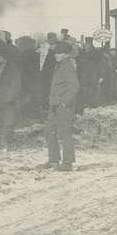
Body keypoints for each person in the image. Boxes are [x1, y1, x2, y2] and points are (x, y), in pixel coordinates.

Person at [39, 41, 79, 172]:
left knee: (64, 133)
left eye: (59, 53)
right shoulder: (60, 65)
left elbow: (74, 87)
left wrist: (64, 102)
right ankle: (54, 160)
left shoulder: (67, 66)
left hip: (63, 106)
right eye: (55, 53)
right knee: (50, 132)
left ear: (66, 54)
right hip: (54, 104)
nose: (56, 55)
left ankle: (67, 163)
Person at [0, 43, 22, 150]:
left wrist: (10, 97)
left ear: (5, 57)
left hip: (8, 99)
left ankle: (9, 143)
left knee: (9, 122)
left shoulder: (13, 68)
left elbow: (16, 84)